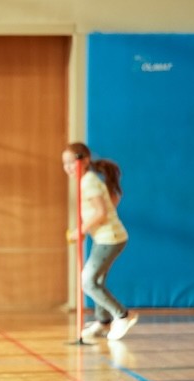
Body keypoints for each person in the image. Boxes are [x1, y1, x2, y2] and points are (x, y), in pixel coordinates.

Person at [62, 142, 138, 341]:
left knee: (87, 282)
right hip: (105, 238)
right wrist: (85, 230)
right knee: (97, 281)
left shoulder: (88, 182)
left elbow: (101, 212)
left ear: (84, 161)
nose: (68, 167)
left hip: (110, 238)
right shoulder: (87, 181)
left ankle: (123, 315)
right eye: (65, 163)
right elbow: (107, 206)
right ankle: (103, 322)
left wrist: (80, 230)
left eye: (71, 162)